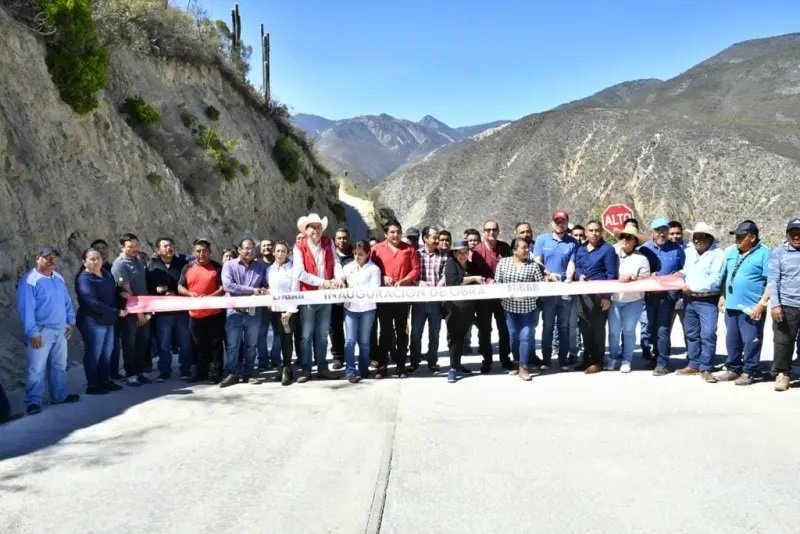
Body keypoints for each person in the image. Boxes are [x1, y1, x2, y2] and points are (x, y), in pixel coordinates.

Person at [17, 246, 80, 415]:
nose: (52, 261)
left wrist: (71, 321)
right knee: (36, 368)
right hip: (41, 331)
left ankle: (59, 395)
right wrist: (33, 333)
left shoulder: (58, 278)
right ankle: (33, 401)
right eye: (47, 257)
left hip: (61, 330)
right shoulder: (30, 281)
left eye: (54, 257)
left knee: (59, 365)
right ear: (38, 258)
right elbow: (26, 310)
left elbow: (66, 301)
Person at [715, 221, 770, 385]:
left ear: (752, 237)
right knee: (732, 339)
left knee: (751, 340)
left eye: (741, 236)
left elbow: (771, 281)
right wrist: (723, 296)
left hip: (752, 308)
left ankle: (749, 371)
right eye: (736, 236)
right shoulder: (732, 252)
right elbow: (726, 276)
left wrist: (762, 304)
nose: (736, 240)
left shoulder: (765, 253)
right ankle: (733, 369)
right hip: (732, 305)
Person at [293, 213, 344, 382]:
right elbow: (300, 273)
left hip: (325, 296)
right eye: (312, 227)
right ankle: (306, 369)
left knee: (322, 334)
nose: (316, 230)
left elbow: (336, 263)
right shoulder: (299, 246)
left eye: (318, 227)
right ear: (306, 230)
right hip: (308, 296)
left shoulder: (328, 243)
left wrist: (339, 278)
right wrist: (324, 282)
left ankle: (322, 367)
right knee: (306, 335)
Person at [370, 219, 420, 378]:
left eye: (398, 232)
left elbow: (415, 270)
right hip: (384, 297)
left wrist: (404, 281)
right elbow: (370, 268)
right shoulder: (376, 249)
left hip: (402, 296)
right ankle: (383, 365)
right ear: (385, 234)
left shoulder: (409, 249)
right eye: (392, 232)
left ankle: (400, 366)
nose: (396, 235)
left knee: (402, 331)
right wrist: (382, 278)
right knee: (384, 332)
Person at [677, 223, 725, 382]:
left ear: (709, 238)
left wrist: (693, 287)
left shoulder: (718, 255)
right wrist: (677, 276)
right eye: (695, 237)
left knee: (708, 333)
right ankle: (693, 363)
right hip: (689, 299)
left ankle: (706, 367)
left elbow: (715, 279)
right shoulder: (689, 252)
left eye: (701, 237)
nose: (697, 240)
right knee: (691, 333)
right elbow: (687, 270)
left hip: (707, 299)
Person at [76, 248, 127, 394]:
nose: (96, 261)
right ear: (84, 262)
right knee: (94, 354)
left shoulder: (105, 273)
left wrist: (121, 292)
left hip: (108, 321)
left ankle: (105, 380)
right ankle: (92, 385)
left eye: (98, 258)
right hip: (93, 322)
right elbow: (92, 302)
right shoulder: (84, 279)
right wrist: (117, 311)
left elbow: (113, 289)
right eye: (92, 259)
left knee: (106, 353)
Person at [220, 237, 269, 387]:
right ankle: (232, 373)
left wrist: (265, 291)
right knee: (233, 345)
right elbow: (229, 286)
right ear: (239, 250)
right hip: (234, 312)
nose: (250, 251)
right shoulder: (229, 265)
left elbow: (265, 286)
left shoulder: (261, 267)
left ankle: (248, 373)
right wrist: (252, 290)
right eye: (246, 248)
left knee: (251, 344)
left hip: (254, 312)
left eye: (252, 248)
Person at [533, 209, 577, 371]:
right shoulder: (542, 240)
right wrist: (548, 274)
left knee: (564, 326)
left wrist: (569, 278)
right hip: (548, 290)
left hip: (565, 289)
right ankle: (546, 359)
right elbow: (537, 261)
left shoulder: (573, 242)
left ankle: (563, 360)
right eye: (557, 221)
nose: (560, 224)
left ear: (567, 223)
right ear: (552, 223)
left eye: (563, 221)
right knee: (548, 325)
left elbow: (572, 263)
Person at [495, 239, 545, 381]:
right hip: (509, 307)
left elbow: (539, 286)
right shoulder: (503, 263)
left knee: (525, 335)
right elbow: (498, 282)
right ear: (514, 250)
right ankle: (516, 362)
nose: (527, 250)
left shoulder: (533, 266)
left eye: (528, 248)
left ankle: (524, 367)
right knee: (513, 336)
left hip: (528, 307)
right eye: (523, 248)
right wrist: (505, 293)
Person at [573, 221, 619, 374]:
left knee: (598, 329)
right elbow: (577, 268)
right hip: (582, 295)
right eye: (591, 230)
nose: (594, 233)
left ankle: (597, 361)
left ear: (602, 232)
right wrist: (579, 276)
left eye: (597, 230)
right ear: (585, 232)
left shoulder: (608, 250)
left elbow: (611, 274)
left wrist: (607, 297)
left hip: (600, 296)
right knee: (585, 327)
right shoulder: (580, 249)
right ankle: (586, 358)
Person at [178, 239, 226, 383]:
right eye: (198, 251)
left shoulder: (217, 267)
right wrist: (189, 294)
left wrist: (210, 297)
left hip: (214, 314)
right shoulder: (188, 267)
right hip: (195, 315)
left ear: (210, 252)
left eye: (204, 250)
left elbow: (223, 287)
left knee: (215, 345)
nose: (201, 254)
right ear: (193, 253)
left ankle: (216, 373)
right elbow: (180, 286)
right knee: (198, 345)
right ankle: (201, 372)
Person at [641, 217, 686, 370]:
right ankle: (656, 356)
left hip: (669, 296)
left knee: (663, 329)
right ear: (652, 232)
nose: (662, 234)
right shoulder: (644, 249)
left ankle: (662, 362)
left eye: (665, 231)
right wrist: (648, 277)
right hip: (649, 296)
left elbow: (684, 270)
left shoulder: (677, 249)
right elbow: (639, 271)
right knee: (652, 328)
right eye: (658, 231)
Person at [147, 237, 193, 381]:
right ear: (157, 250)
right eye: (165, 246)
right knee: (163, 343)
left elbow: (189, 284)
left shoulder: (183, 263)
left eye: (171, 245)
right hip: (163, 313)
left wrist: (177, 292)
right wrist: (156, 290)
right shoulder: (151, 266)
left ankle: (185, 369)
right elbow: (147, 288)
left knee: (185, 342)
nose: (169, 248)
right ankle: (164, 371)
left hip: (182, 311)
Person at [606, 223, 650, 373]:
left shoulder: (641, 259)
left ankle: (627, 359)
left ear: (635, 241)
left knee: (629, 331)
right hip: (615, 299)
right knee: (613, 331)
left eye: (628, 237)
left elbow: (646, 278)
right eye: (622, 237)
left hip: (634, 300)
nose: (624, 239)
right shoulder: (611, 252)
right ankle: (612, 358)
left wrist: (634, 278)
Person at [472, 220, 514, 373]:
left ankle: (505, 358)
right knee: (484, 329)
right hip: (485, 297)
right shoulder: (477, 251)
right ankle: (487, 360)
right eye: (488, 230)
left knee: (504, 328)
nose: (491, 232)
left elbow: (512, 265)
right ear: (483, 232)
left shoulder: (505, 247)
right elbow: (476, 272)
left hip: (503, 296)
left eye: (494, 229)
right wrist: (490, 281)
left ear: (498, 231)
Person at [111, 233, 153, 387]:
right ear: (122, 247)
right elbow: (127, 292)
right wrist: (140, 312)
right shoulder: (120, 265)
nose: (134, 249)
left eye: (136, 246)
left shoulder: (139, 259)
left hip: (145, 308)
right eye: (130, 247)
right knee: (130, 343)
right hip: (131, 311)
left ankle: (140, 372)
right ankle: (131, 374)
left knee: (143, 341)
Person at [443, 240, 483, 383]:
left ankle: (458, 364)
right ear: (454, 253)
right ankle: (452, 368)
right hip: (454, 308)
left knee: (462, 337)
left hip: (469, 308)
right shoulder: (450, 264)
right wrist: (473, 278)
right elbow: (454, 281)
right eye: (459, 253)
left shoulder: (472, 266)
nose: (462, 255)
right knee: (453, 337)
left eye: (465, 252)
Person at [342, 240, 382, 383]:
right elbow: (339, 279)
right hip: (350, 308)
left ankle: (364, 369)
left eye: (360, 254)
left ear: (368, 254)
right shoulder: (348, 267)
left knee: (364, 341)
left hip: (367, 309)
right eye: (355, 254)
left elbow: (375, 289)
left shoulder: (374, 269)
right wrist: (340, 283)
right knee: (350, 341)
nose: (357, 257)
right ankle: (350, 370)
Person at [768, 217, 800, 392]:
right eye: (793, 234)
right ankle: (782, 374)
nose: (797, 237)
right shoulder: (779, 252)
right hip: (787, 305)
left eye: (799, 234)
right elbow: (773, 280)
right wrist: (775, 305)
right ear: (788, 235)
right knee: (783, 341)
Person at [410, 226, 447, 374]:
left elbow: (445, 274)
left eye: (438, 237)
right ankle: (414, 362)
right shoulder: (416, 255)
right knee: (416, 333)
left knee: (434, 333)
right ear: (425, 238)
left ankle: (432, 362)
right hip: (419, 300)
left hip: (436, 301)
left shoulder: (443, 256)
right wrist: (418, 282)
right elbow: (411, 273)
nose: (438, 240)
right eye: (435, 237)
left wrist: (439, 286)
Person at [266, 241, 298, 386]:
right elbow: (270, 288)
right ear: (273, 252)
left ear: (288, 253)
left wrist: (290, 311)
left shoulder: (292, 269)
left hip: (288, 311)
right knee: (279, 338)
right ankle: (283, 366)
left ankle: (287, 368)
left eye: (283, 251)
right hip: (275, 310)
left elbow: (295, 290)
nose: (280, 254)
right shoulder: (269, 270)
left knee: (287, 338)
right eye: (278, 251)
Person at [330, 228, 355, 370]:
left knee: (357, 328)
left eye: (344, 238)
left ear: (349, 238)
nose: (342, 241)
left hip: (355, 300)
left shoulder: (356, 253)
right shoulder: (331, 256)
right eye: (339, 238)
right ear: (334, 240)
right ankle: (338, 357)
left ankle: (370, 356)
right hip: (335, 299)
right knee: (335, 328)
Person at [256, 238, 281, 372]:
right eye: (264, 246)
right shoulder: (257, 265)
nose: (267, 248)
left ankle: (276, 359)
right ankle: (263, 361)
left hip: (279, 305)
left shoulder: (280, 263)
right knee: (261, 334)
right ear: (260, 249)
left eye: (269, 245)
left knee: (279, 333)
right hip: (262, 306)